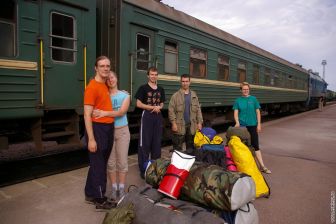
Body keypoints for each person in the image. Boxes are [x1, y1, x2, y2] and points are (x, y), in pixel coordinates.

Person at [83, 56, 116, 209]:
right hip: (98, 129)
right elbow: (87, 114)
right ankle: (99, 198)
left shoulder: (104, 85)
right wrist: (91, 139)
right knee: (99, 165)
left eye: (107, 66)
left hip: (108, 128)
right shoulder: (92, 87)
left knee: (98, 163)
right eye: (102, 66)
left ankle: (90, 193)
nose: (105, 68)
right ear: (96, 68)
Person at [93, 71, 130, 201]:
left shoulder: (125, 95)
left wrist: (104, 113)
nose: (110, 80)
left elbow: (121, 112)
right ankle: (114, 188)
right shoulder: (104, 95)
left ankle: (122, 188)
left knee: (122, 161)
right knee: (110, 162)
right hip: (108, 131)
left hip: (122, 131)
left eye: (112, 77)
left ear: (116, 78)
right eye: (108, 79)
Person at [233, 82, 271, 174]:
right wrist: (237, 122)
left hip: (252, 126)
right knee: (243, 147)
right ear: (241, 90)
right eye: (244, 89)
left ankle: (262, 166)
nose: (245, 91)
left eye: (247, 89)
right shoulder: (238, 100)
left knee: (255, 145)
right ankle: (245, 167)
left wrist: (259, 124)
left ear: (249, 90)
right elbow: (236, 113)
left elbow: (258, 112)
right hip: (242, 127)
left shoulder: (253, 99)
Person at [135, 66, 165, 178]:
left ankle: (155, 169)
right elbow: (138, 104)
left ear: (157, 76)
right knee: (145, 143)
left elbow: (162, 103)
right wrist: (151, 107)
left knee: (156, 143)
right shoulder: (143, 88)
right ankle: (144, 169)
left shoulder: (161, 89)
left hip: (157, 116)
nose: (154, 76)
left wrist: (159, 107)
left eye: (155, 74)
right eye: (152, 74)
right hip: (147, 116)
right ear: (148, 75)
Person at [168, 74, 203, 154]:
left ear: (190, 82)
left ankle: (189, 164)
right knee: (177, 148)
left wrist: (199, 122)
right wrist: (173, 123)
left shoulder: (194, 95)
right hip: (179, 125)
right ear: (180, 82)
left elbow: (198, 109)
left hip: (192, 126)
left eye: (187, 81)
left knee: (191, 148)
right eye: (183, 81)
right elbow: (171, 110)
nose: (185, 83)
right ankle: (177, 165)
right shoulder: (175, 96)